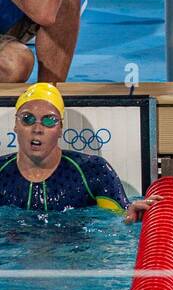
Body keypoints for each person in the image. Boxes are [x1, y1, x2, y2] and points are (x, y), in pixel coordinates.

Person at [0, 83, 156, 220]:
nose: (37, 129)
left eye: (49, 120)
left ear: (60, 129)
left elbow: (120, 219)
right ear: (15, 125)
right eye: (27, 119)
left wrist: (131, 216)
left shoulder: (93, 171)